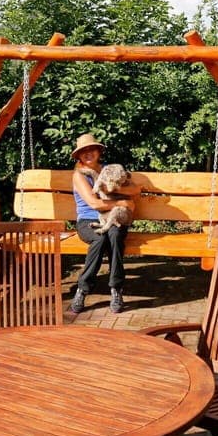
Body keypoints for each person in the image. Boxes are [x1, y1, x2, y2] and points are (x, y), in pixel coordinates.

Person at [69, 133, 140, 314]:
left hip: (113, 217)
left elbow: (134, 189)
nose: (88, 154)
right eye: (83, 151)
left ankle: (116, 288)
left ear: (98, 151)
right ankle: (83, 289)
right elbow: (94, 203)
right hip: (88, 220)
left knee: (115, 235)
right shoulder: (79, 175)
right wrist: (122, 202)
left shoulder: (111, 169)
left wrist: (114, 188)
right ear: (78, 156)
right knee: (100, 239)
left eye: (91, 149)